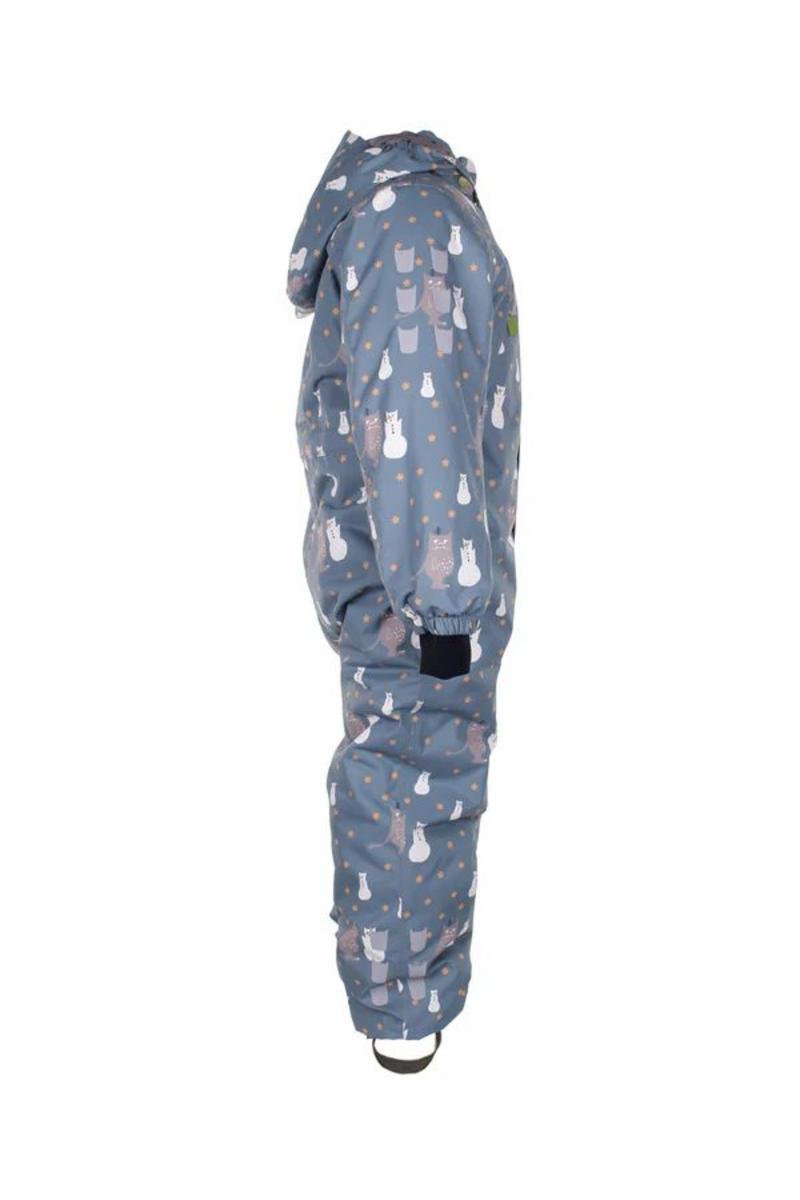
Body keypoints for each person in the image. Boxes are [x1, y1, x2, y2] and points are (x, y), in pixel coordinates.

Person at [287, 130, 521, 1072]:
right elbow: (422, 421)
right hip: (424, 599)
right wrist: (448, 612)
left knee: (407, 766)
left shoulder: (406, 215)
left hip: (412, 587)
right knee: (418, 769)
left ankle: (400, 992)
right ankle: (402, 1009)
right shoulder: (415, 221)